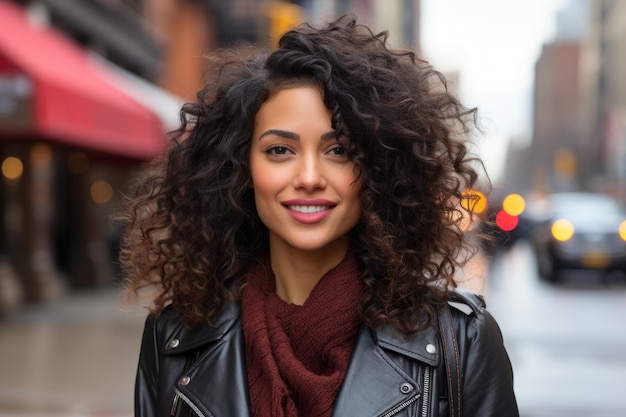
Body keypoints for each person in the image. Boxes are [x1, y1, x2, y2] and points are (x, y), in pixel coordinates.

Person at [119, 15, 519, 417]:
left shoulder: (462, 342)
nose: (309, 178)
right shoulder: (173, 339)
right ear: (240, 169)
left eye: (339, 150)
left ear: (380, 170)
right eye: (280, 150)